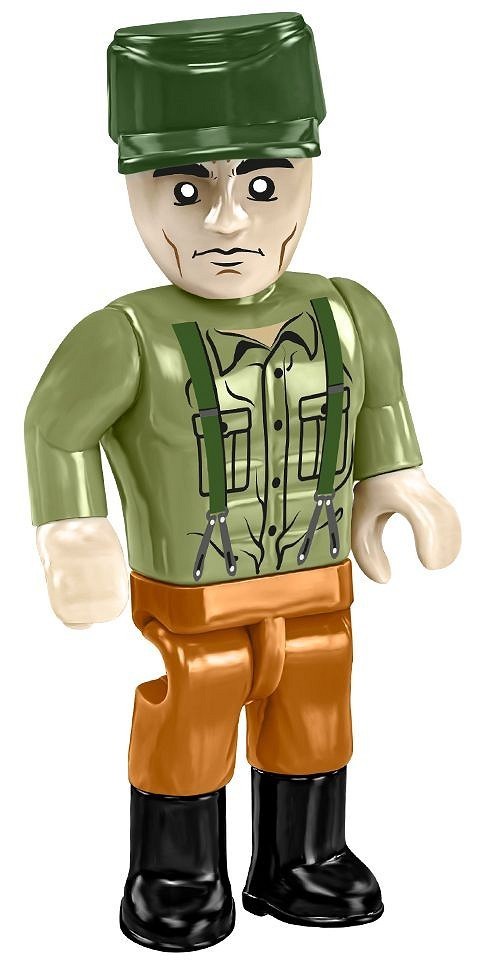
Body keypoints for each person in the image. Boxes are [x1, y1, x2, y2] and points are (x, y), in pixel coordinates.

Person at [25, 12, 461, 952]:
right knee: (198, 697)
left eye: (262, 185)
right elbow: (55, 428)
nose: (228, 221)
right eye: (187, 189)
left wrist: (397, 480)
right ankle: (176, 870)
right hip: (196, 589)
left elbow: (381, 411)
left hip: (315, 577)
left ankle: (303, 857)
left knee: (318, 697)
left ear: (306, 174)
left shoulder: (349, 310)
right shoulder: (125, 335)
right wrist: (72, 529)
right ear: (135, 190)